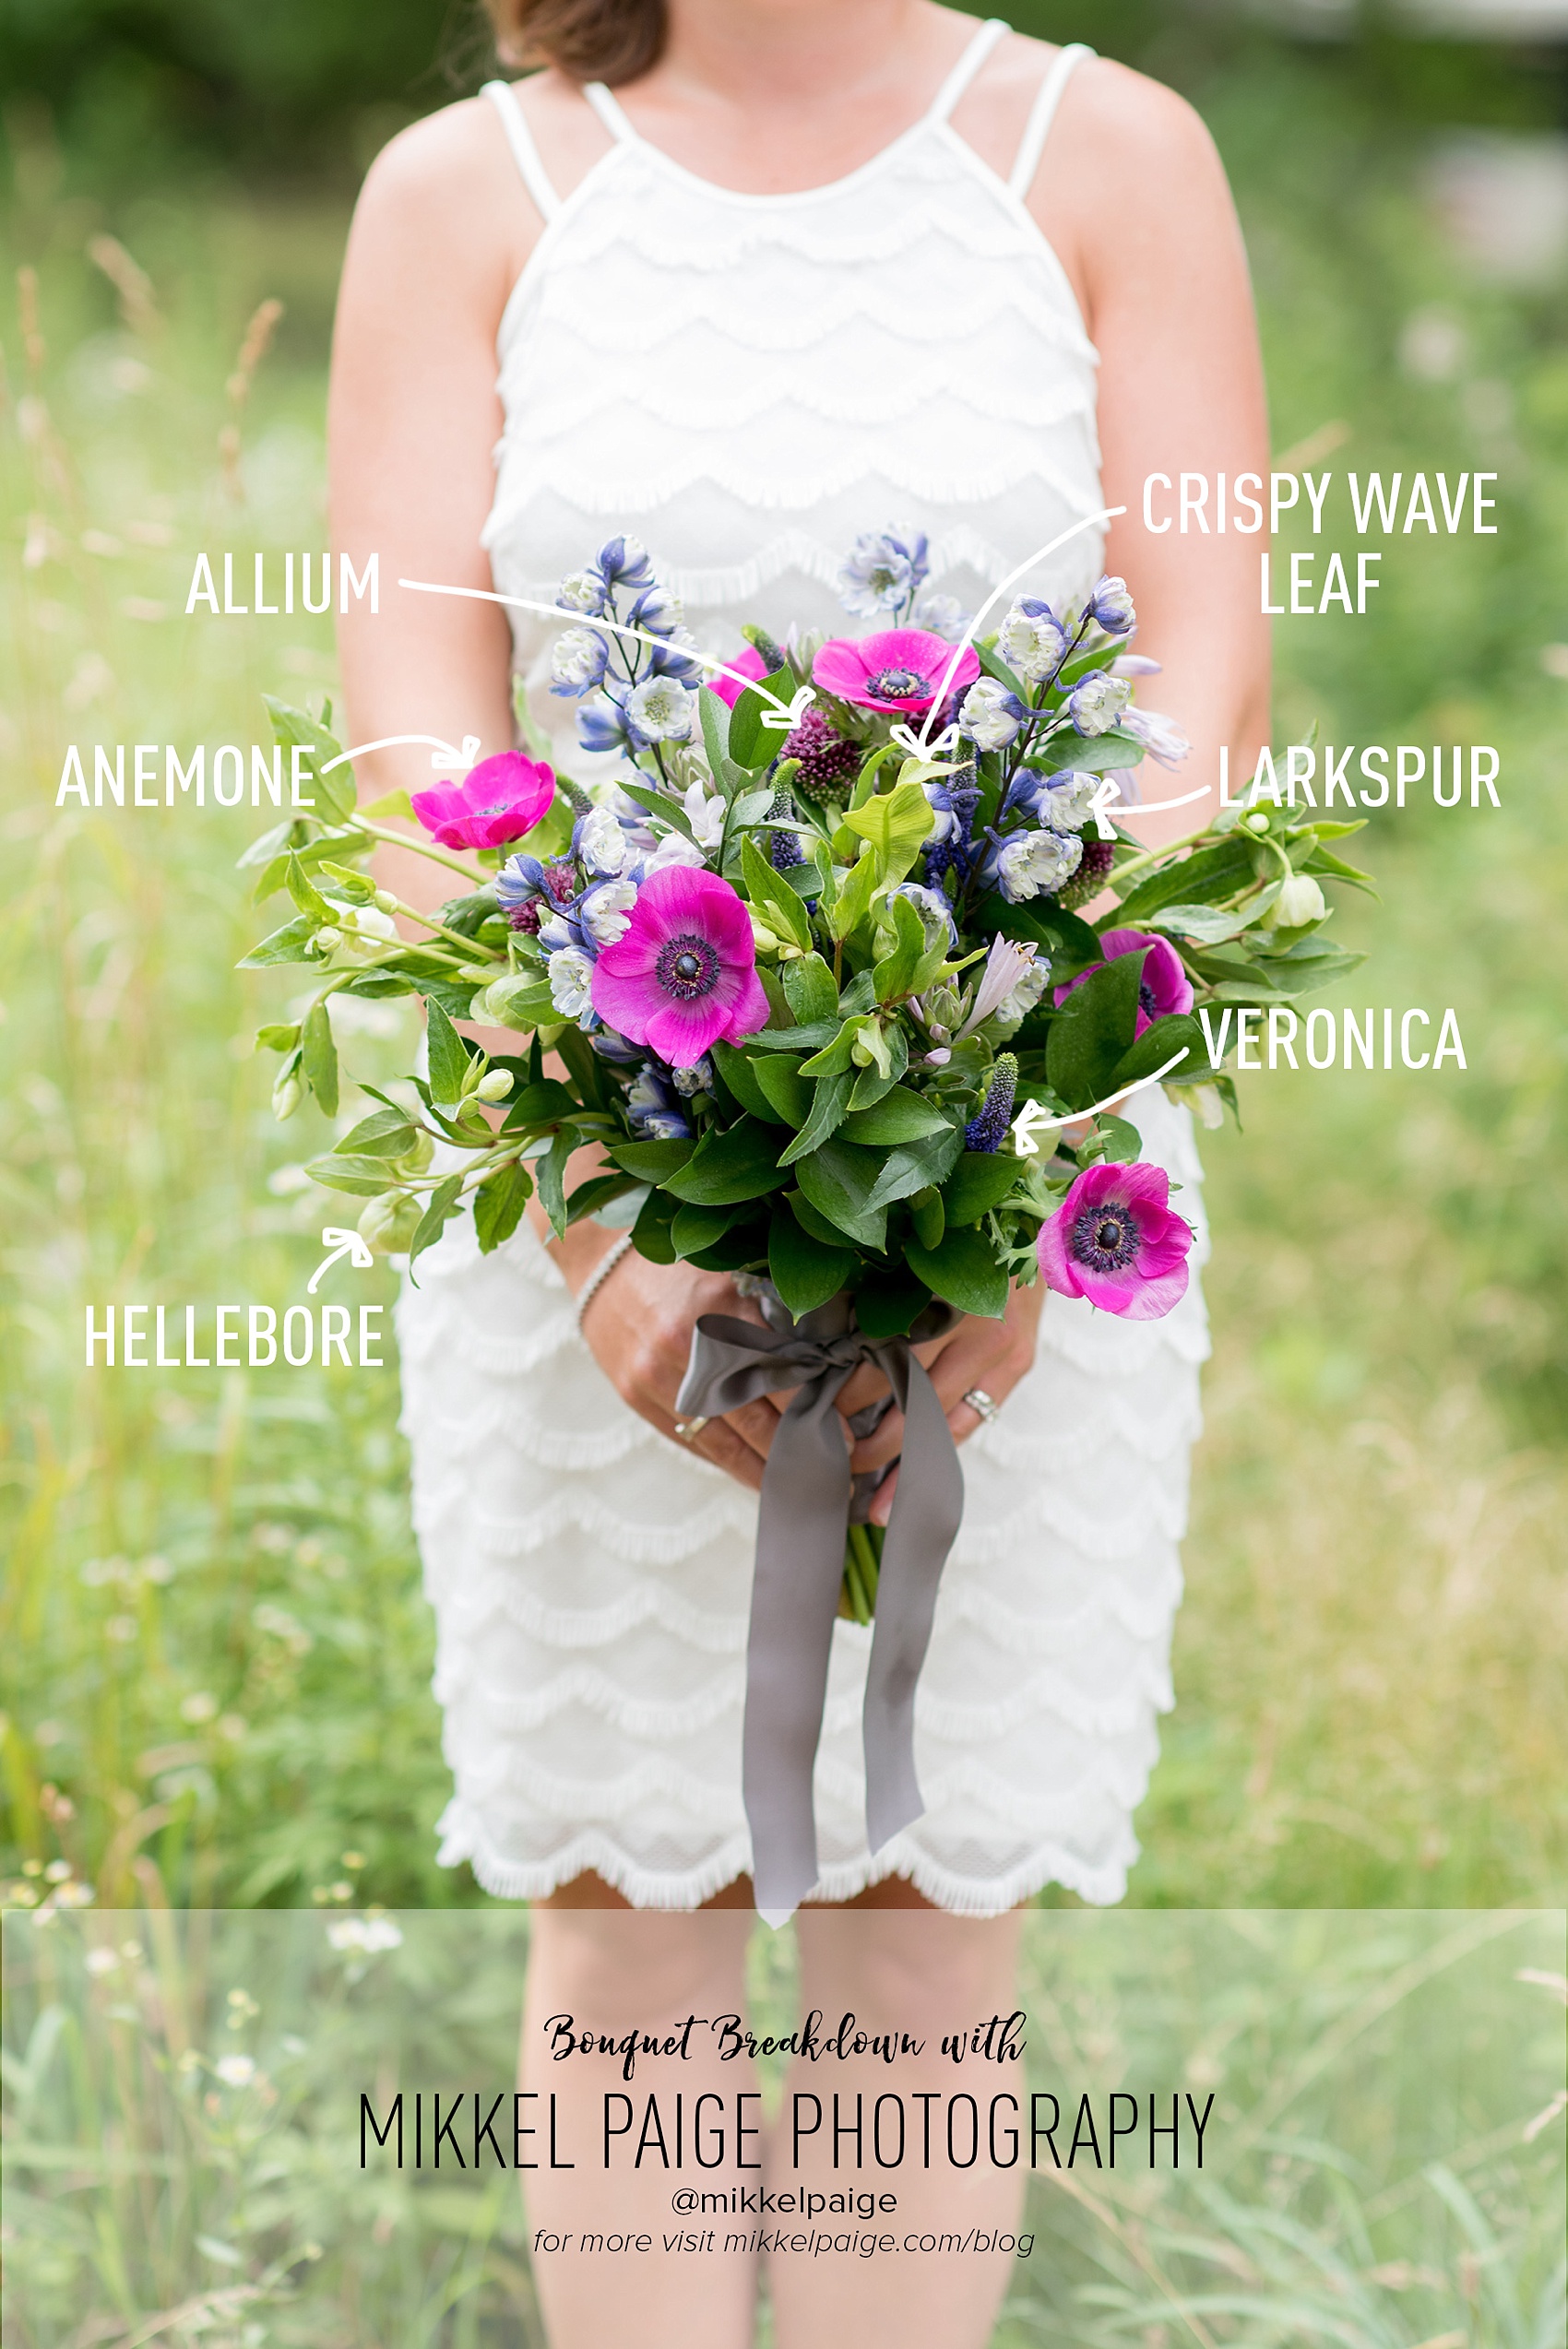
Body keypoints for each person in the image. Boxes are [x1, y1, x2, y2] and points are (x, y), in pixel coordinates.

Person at [329, 5, 1269, 2339]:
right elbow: (415, 761)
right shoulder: (461, 201)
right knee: (629, 1925)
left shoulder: (1112, 161)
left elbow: (1204, 707)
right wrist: (595, 1220)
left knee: (921, 1933)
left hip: (1019, 1211)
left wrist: (1018, 1158)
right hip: (586, 1188)